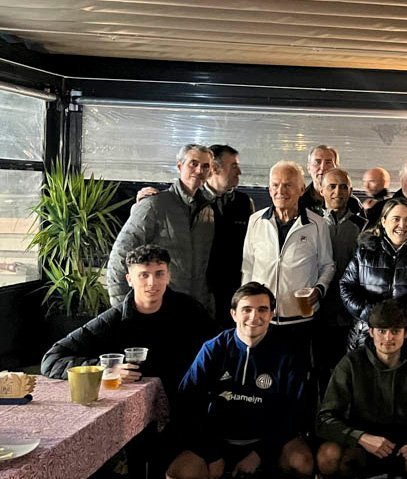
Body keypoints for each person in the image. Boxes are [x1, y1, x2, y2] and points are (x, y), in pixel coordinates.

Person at [167, 282, 313, 479]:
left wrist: (260, 454)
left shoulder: (288, 353)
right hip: (217, 441)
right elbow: (185, 403)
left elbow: (296, 411)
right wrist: (212, 453)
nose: (254, 317)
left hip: (267, 441)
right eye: (247, 310)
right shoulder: (213, 349)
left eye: (262, 310)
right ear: (233, 314)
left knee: (302, 461)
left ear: (271, 314)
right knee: (180, 472)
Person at [42, 245, 215, 400]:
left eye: (159, 274)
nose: (152, 283)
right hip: (135, 408)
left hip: (187, 403)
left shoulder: (190, 310)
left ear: (168, 276)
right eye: (144, 275)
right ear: (129, 280)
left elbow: (221, 346)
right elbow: (52, 359)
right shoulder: (112, 320)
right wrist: (106, 369)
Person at [316, 299, 407, 479]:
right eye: (381, 331)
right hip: (363, 444)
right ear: (371, 332)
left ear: (406, 333)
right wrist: (360, 437)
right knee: (328, 455)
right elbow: (325, 419)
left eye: (395, 331)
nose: (388, 338)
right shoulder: (351, 363)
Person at [106, 144, 215, 310]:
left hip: (194, 310)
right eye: (193, 164)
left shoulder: (207, 212)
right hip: (157, 307)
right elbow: (120, 255)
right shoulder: (154, 205)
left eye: (205, 166)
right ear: (180, 166)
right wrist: (122, 309)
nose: (199, 170)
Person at [242, 161, 335, 341]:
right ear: (269, 190)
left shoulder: (317, 224)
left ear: (301, 189)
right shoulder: (256, 221)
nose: (281, 191)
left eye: (288, 185)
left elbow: (328, 265)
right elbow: (248, 266)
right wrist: (246, 305)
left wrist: (319, 289)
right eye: (275, 185)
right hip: (262, 318)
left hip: (301, 319)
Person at [340, 197, 407, 350]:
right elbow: (346, 286)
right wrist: (370, 313)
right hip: (367, 335)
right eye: (396, 219)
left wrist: (403, 317)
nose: (402, 225)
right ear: (384, 221)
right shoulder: (365, 252)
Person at [203, 144, 256, 330]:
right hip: (202, 290)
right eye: (234, 166)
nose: (239, 172)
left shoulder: (244, 202)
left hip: (234, 291)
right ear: (214, 168)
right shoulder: (195, 201)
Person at [320, 168, 367, 369]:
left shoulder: (363, 226)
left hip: (349, 311)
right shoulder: (311, 222)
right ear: (321, 190)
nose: (337, 192)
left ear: (350, 191)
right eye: (331, 186)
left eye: (343, 187)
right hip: (319, 308)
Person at [299, 144, 363, 216]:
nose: (322, 168)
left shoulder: (352, 203)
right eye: (317, 162)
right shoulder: (299, 201)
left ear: (336, 167)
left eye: (328, 163)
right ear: (308, 167)